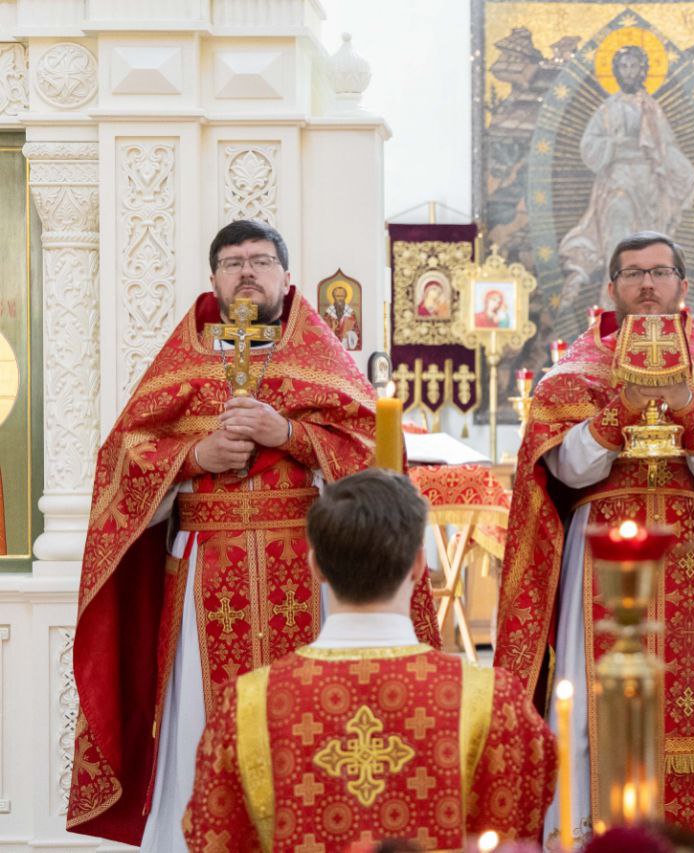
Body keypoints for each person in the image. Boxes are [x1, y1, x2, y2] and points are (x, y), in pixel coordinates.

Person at [65, 220, 432, 848]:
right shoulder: (181, 368)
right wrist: (194, 457)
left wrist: (286, 435)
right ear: (213, 279)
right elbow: (121, 466)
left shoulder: (322, 364)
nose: (247, 272)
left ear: (286, 279)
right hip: (206, 580)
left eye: (261, 261)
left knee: (314, 730)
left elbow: (378, 461)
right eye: (232, 262)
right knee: (202, 734)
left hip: (306, 572)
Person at [495, 231, 694, 839]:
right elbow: (562, 471)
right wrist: (619, 413)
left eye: (660, 272)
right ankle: (588, 837)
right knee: (589, 710)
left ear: (682, 287)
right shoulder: (573, 375)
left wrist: (689, 408)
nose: (647, 284)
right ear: (609, 289)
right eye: (634, 273)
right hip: (601, 559)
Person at [183, 470, 556, 851]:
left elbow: (215, 836)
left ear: (316, 567)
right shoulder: (493, 702)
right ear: (418, 565)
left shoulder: (246, 705)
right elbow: (516, 824)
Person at [556, 46, 694, 337]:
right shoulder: (608, 109)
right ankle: (615, 317)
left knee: (650, 255)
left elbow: (668, 150)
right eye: (623, 66)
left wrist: (693, 181)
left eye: (634, 66)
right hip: (619, 183)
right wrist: (613, 144)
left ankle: (651, 322)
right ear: (616, 72)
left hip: (649, 188)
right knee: (621, 243)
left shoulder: (652, 108)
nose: (629, 72)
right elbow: (589, 146)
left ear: (643, 71)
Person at [324, 282, 361, 350]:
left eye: (342, 296)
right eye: (338, 296)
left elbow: (356, 332)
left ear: (345, 297)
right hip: (332, 346)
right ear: (334, 297)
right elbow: (323, 331)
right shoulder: (328, 313)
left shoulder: (350, 312)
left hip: (346, 345)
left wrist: (348, 334)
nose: (340, 298)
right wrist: (333, 329)